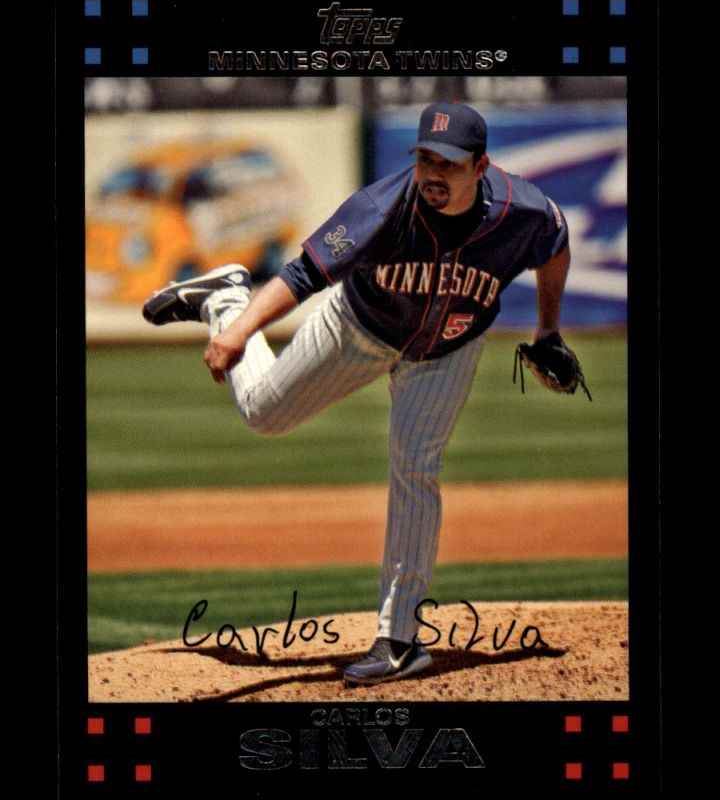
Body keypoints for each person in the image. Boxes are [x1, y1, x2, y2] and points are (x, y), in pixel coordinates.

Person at [142, 102, 571, 686]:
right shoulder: (380, 209)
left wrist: (548, 330)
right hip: (359, 329)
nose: (433, 173)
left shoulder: (523, 211)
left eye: (448, 163)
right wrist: (239, 331)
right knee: (264, 414)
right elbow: (302, 275)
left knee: (416, 466)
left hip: (448, 348)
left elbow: (555, 244)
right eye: (425, 159)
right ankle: (225, 298)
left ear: (481, 166)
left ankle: (399, 641)